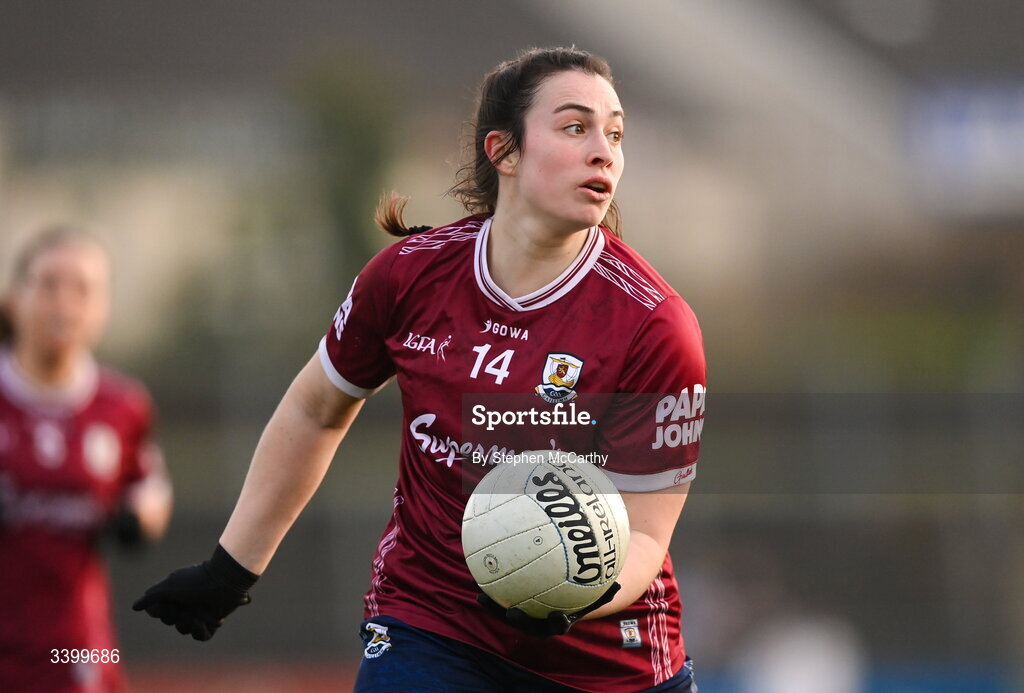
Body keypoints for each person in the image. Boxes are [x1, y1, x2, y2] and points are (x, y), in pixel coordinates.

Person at [134, 46, 706, 693]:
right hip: (431, 623)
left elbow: (645, 534)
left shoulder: (654, 323)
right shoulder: (410, 274)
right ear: (504, 151)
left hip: (605, 664)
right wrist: (231, 567)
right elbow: (315, 408)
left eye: (616, 133)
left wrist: (567, 592)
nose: (604, 150)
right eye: (575, 127)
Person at [0, 227, 173, 693]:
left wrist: (137, 518)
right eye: (49, 285)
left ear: (103, 308)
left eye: (83, 290)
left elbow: (150, 490)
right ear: (16, 298)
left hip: (75, 648)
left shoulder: (123, 407)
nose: (64, 304)